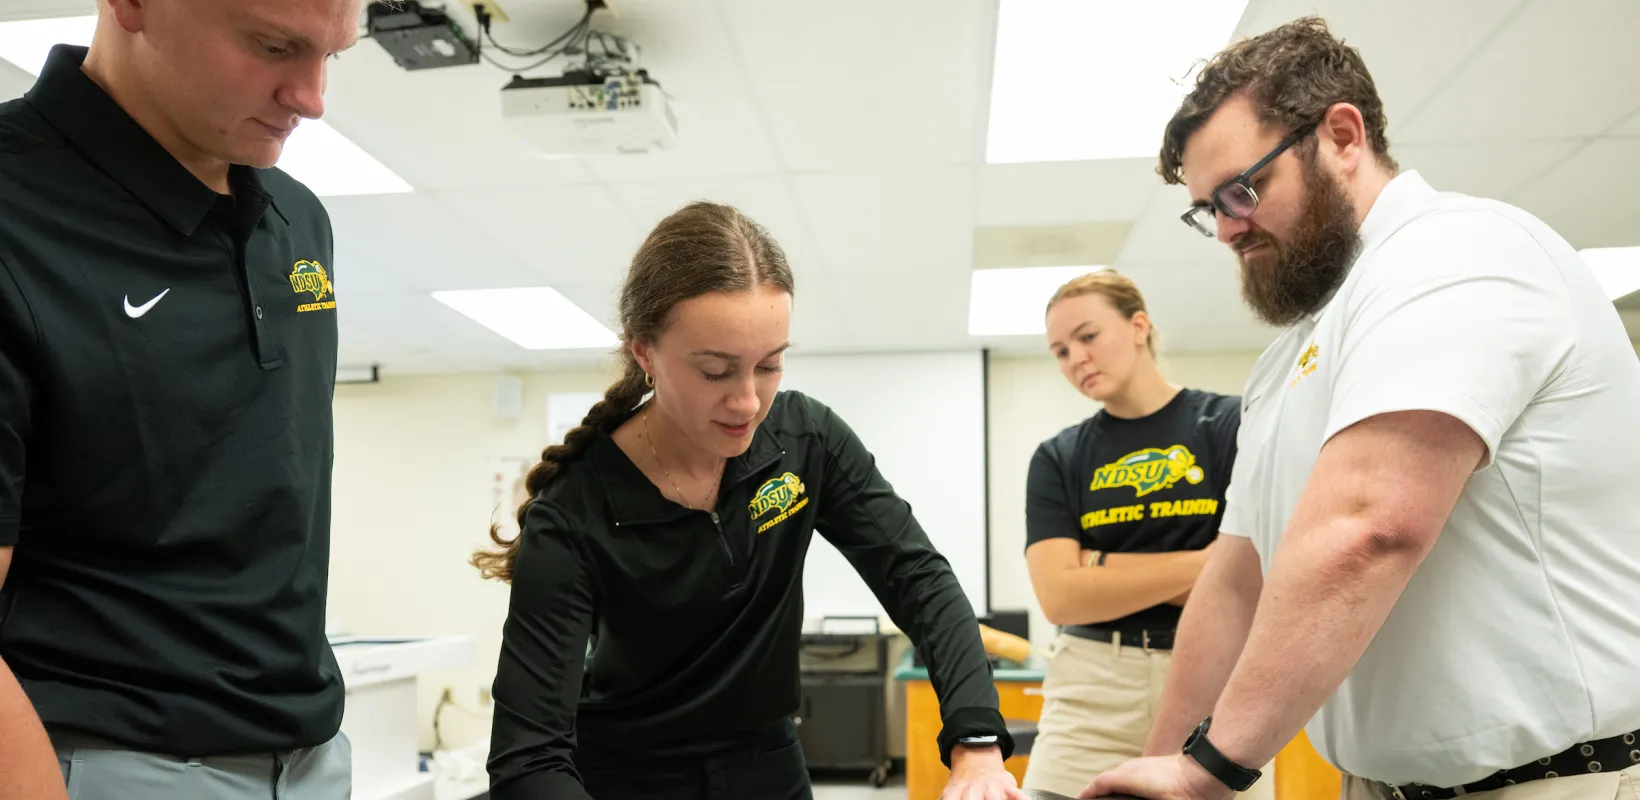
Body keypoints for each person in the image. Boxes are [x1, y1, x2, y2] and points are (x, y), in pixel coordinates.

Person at [1084, 15, 1640, 800]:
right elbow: (1237, 579)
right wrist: (1166, 762)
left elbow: (1369, 527)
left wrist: (1211, 769)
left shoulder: (1454, 255)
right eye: (1208, 208)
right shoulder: (1295, 353)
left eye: (1243, 190)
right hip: (1381, 785)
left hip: (1554, 783)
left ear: (1342, 136)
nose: (1227, 230)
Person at [474, 201, 1025, 800]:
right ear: (644, 354)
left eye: (769, 365)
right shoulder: (575, 510)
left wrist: (976, 744)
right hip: (625, 778)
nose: (748, 403)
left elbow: (917, 576)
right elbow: (528, 757)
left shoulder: (805, 441)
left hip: (770, 769)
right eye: (715, 371)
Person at [0, 0, 361, 797]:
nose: (312, 97)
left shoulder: (298, 219)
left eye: (334, 55)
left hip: (313, 761)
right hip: (101, 762)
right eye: (274, 46)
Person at [1021, 271, 1266, 799]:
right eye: (1060, 351)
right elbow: (1060, 596)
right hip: (1092, 688)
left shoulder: (1232, 424)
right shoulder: (1059, 457)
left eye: (1088, 337)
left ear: (1139, 326)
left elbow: (1261, 570)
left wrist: (1101, 565)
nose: (1075, 359)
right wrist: (1209, 564)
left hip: (1218, 679)